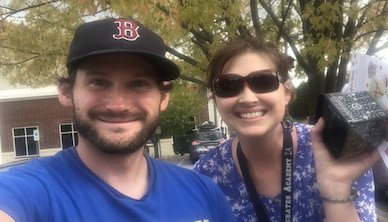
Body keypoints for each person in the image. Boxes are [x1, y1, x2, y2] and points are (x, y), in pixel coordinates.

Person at [0, 18, 236, 222]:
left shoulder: (203, 192)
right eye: (99, 82)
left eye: (138, 84)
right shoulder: (27, 191)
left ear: (163, 98)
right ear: (66, 92)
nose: (119, 105)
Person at [193, 38, 380, 222]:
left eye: (263, 81)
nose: (248, 98)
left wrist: (337, 187)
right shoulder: (205, 175)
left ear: (286, 94)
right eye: (228, 86)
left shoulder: (335, 150)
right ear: (216, 100)